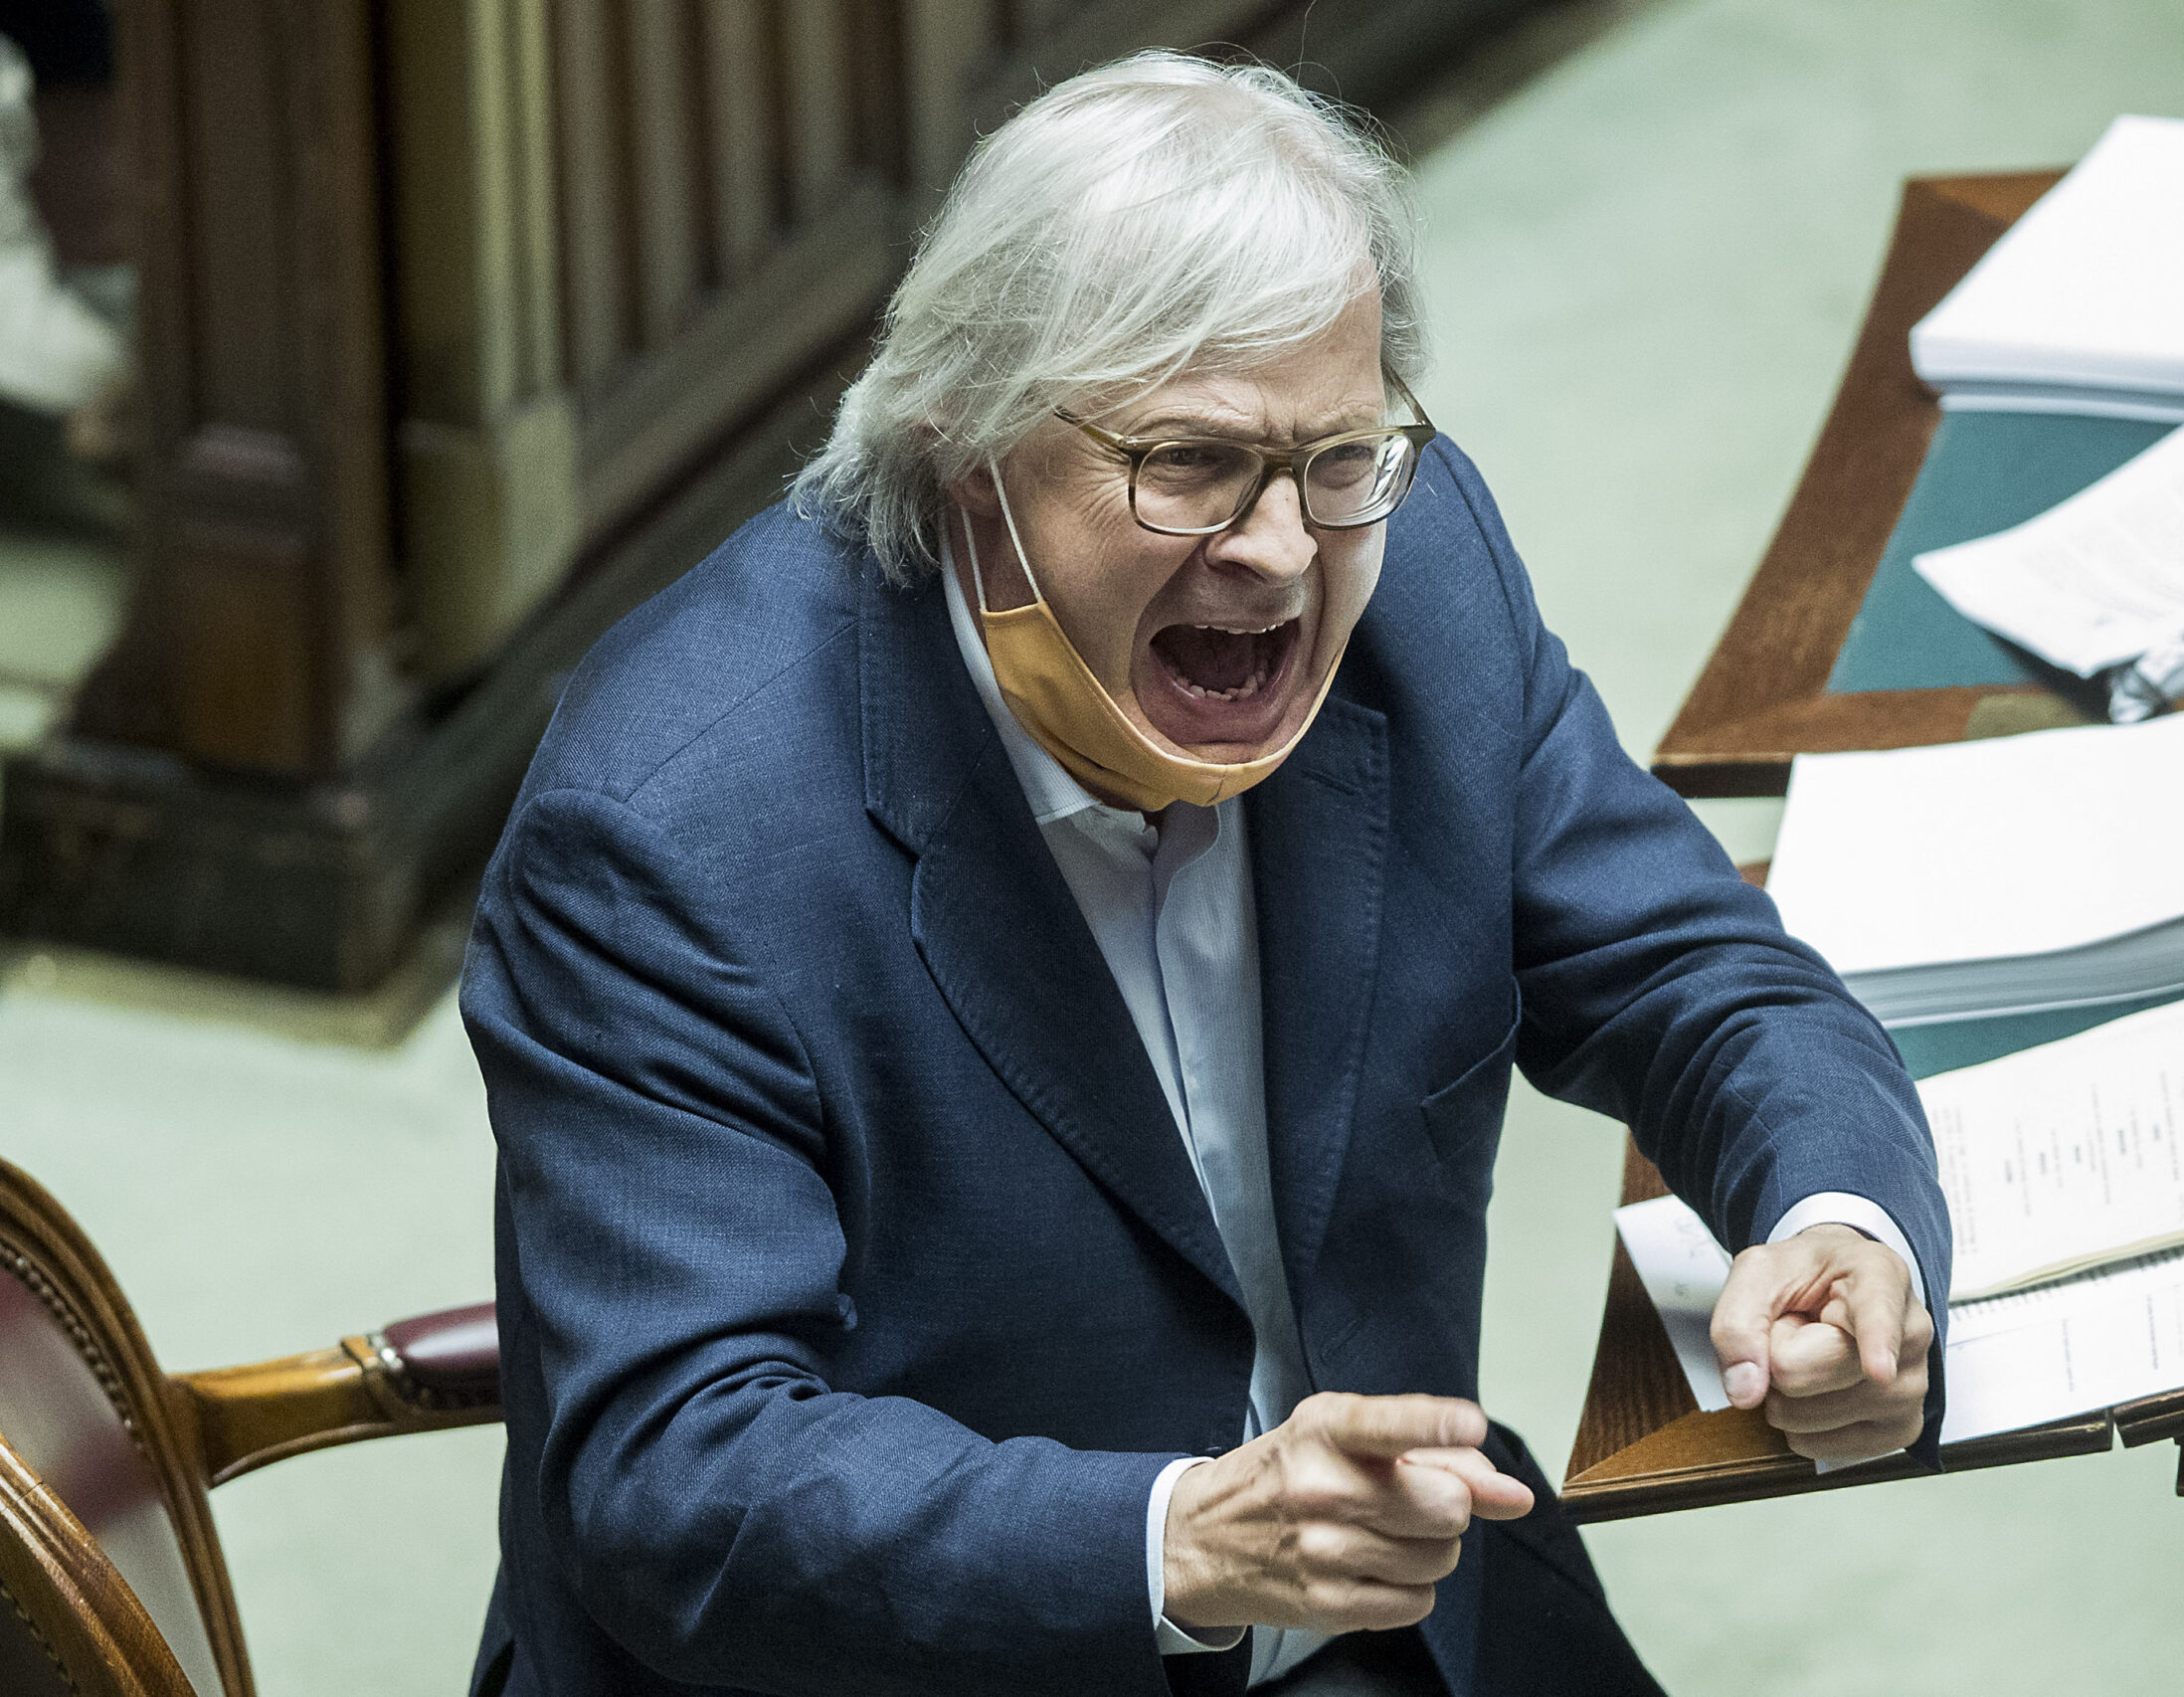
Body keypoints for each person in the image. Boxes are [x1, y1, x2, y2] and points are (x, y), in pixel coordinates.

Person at [461, 51, 1948, 1697]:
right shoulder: (667, 831)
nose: (1284, 556)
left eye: (1336, 460)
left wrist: (1840, 1217)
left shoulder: (1420, 577)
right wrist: (1169, 1542)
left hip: (1383, 1599)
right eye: (1187, 464)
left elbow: (1690, 970)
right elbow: (676, 1474)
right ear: (973, 466)